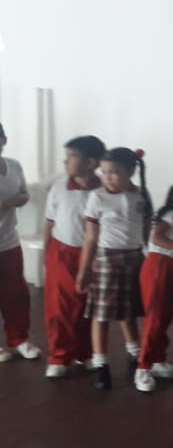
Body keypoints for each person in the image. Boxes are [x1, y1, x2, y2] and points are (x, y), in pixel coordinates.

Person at [76, 147, 151, 390]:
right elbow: (90, 236)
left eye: (114, 172)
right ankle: (101, 364)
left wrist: (149, 254)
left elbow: (146, 229)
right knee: (102, 314)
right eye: (104, 171)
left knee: (128, 310)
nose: (107, 177)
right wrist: (84, 269)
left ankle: (135, 354)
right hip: (107, 259)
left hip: (134, 257)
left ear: (130, 171)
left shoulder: (141, 196)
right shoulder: (97, 197)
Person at [44, 135, 105, 376]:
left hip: (94, 255)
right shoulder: (59, 188)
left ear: (91, 162)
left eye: (72, 156)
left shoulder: (104, 191)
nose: (66, 161)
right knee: (60, 307)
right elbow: (49, 222)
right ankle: (60, 356)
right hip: (62, 252)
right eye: (67, 156)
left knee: (88, 305)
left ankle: (85, 352)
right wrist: (47, 253)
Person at [134, 184, 173, 392]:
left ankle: (158, 360)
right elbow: (157, 237)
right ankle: (143, 367)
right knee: (155, 317)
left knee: (165, 315)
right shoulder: (171, 214)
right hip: (159, 264)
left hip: (172, 266)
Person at [0, 123, 37, 364]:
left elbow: (24, 193)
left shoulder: (13, 166)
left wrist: (13, 201)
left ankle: (19, 339)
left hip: (9, 241)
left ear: (3, 139)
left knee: (16, 294)